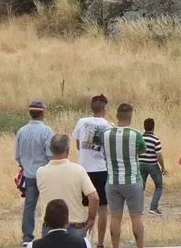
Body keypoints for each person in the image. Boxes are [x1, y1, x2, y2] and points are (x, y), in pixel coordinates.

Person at [100, 103, 146, 248]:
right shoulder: (136, 134)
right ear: (130, 116)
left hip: (113, 180)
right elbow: (142, 150)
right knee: (136, 216)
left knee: (115, 217)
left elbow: (103, 152)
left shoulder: (106, 134)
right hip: (133, 180)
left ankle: (115, 246)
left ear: (117, 116)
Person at [36, 134, 98, 240]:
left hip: (49, 227)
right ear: (68, 150)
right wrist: (91, 219)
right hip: (75, 226)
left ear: (50, 150)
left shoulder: (40, 172)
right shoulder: (78, 170)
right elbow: (94, 198)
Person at [73, 94, 113, 248]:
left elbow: (78, 145)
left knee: (83, 207)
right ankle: (100, 242)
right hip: (101, 170)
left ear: (91, 108)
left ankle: (83, 240)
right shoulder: (108, 126)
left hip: (84, 169)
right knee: (102, 207)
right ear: (104, 108)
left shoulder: (82, 122)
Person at [17, 99, 54, 246]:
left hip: (29, 175)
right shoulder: (47, 131)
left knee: (29, 206)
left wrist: (25, 165)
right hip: (45, 174)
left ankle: (27, 238)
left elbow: (17, 156)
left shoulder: (22, 131)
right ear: (42, 113)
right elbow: (51, 154)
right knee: (49, 205)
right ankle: (47, 235)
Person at [138, 118, 166, 216]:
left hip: (141, 164)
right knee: (159, 186)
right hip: (153, 165)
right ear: (153, 127)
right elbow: (159, 155)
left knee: (141, 187)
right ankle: (153, 207)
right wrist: (163, 167)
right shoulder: (156, 139)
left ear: (144, 127)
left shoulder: (140, 138)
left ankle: (139, 209)